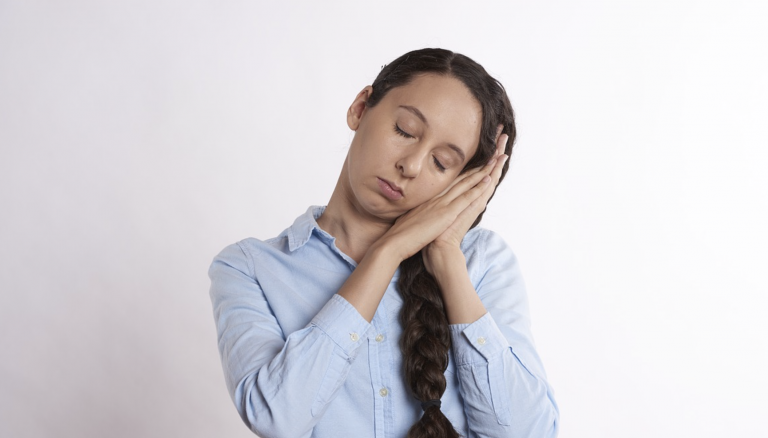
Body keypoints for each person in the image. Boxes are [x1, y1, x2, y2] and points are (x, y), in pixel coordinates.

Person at [208, 48, 559, 438]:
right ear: (361, 108)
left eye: (441, 163)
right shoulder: (248, 267)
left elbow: (528, 432)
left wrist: (444, 258)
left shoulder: (481, 261)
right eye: (404, 131)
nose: (410, 165)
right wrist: (387, 252)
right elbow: (277, 418)